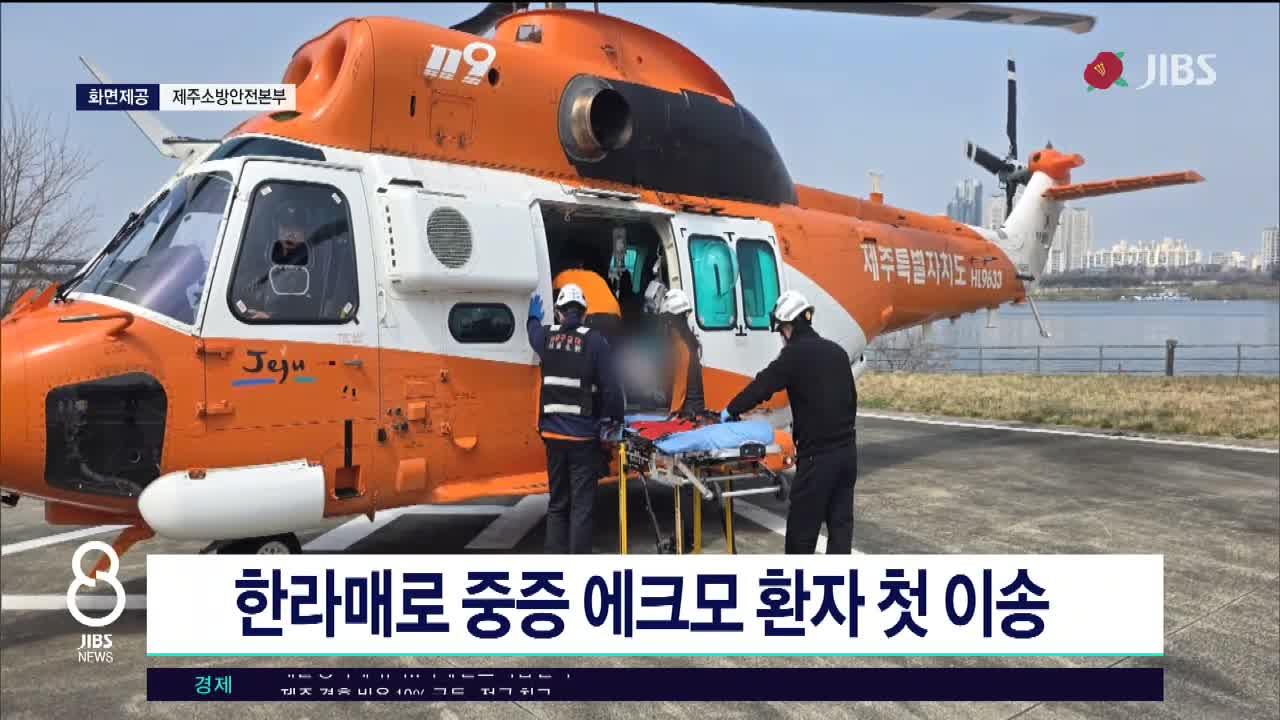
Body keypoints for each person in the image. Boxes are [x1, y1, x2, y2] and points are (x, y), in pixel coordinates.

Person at [721, 290, 858, 554]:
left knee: (801, 536)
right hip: (847, 455)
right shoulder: (838, 352)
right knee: (841, 530)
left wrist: (731, 409)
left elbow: (762, 386)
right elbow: (852, 400)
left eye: (781, 331)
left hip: (817, 459)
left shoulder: (794, 355)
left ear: (787, 327)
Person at [527, 283, 625, 554]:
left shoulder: (546, 336)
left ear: (559, 313)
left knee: (558, 503)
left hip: (552, 436)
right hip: (582, 438)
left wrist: (532, 317)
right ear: (584, 314)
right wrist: (614, 420)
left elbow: (532, 332)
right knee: (582, 505)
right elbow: (611, 388)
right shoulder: (595, 341)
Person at [236, 203, 311, 321]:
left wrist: (272, 318)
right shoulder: (261, 262)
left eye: (296, 228)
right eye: (285, 227)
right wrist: (246, 310)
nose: (290, 233)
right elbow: (239, 292)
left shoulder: (313, 268)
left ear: (304, 233)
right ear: (277, 230)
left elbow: (312, 309)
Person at [658, 289, 706, 420]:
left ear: (671, 321)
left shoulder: (682, 346)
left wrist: (673, 412)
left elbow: (681, 385)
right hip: (692, 409)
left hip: (689, 413)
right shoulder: (687, 341)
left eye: (665, 320)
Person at [554, 261, 621, 340]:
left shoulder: (562, 276)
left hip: (591, 318)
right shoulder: (594, 275)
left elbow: (552, 298)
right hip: (614, 317)